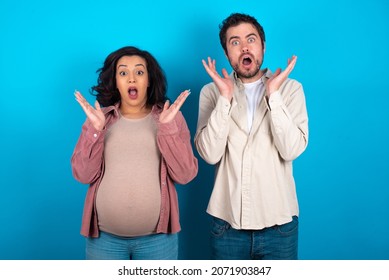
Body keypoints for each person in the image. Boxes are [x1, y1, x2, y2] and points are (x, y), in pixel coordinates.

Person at [194, 13, 308, 260]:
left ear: (263, 46)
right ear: (226, 53)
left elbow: (291, 150)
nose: (244, 47)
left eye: (251, 39)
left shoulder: (290, 89)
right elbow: (210, 155)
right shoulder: (212, 92)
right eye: (235, 42)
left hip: (280, 226)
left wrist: (273, 97)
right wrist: (225, 99)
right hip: (227, 227)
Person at [71, 46, 198, 260]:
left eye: (139, 72)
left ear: (149, 80)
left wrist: (167, 129)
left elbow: (185, 175)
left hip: (158, 241)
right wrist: (95, 131)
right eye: (123, 73)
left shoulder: (169, 118)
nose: (131, 79)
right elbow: (82, 175)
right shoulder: (99, 120)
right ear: (116, 81)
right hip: (104, 241)